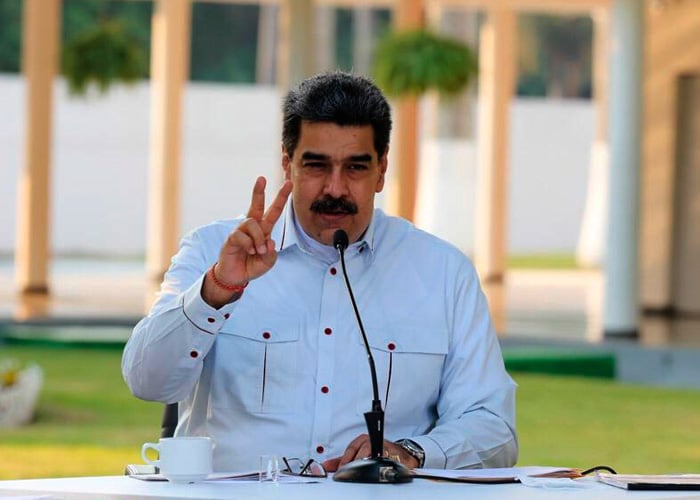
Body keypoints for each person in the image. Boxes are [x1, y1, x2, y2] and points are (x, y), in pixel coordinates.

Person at [122, 71, 518, 473]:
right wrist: (217, 289)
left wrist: (413, 452)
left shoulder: (443, 273)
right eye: (316, 166)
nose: (335, 188)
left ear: (382, 169)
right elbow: (146, 381)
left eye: (355, 168)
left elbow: (494, 427)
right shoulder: (213, 250)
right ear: (287, 164)